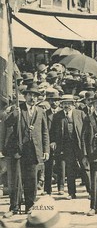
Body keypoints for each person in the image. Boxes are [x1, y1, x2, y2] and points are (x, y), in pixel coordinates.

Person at [3, 84, 50, 217]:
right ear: (25, 96)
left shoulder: (41, 111)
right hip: (18, 149)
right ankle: (14, 208)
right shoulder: (19, 109)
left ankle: (30, 206)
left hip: (33, 150)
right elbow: (7, 123)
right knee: (16, 179)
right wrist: (14, 114)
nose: (33, 98)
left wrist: (46, 150)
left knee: (31, 179)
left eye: (35, 96)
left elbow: (44, 132)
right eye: (30, 95)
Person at [49, 95, 90, 200]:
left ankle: (91, 191)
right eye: (65, 103)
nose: (67, 106)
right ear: (62, 105)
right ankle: (72, 193)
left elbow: (87, 129)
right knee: (70, 170)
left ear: (73, 104)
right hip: (66, 146)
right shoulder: (58, 116)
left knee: (85, 167)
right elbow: (52, 131)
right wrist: (53, 141)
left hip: (80, 145)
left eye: (69, 103)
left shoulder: (80, 114)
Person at [43, 91, 64, 196]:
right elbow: (44, 129)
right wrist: (50, 142)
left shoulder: (62, 113)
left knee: (61, 165)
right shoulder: (45, 114)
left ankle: (61, 187)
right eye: (52, 100)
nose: (54, 102)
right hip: (49, 144)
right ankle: (47, 189)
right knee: (48, 166)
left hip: (61, 143)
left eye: (56, 100)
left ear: (59, 102)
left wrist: (58, 142)